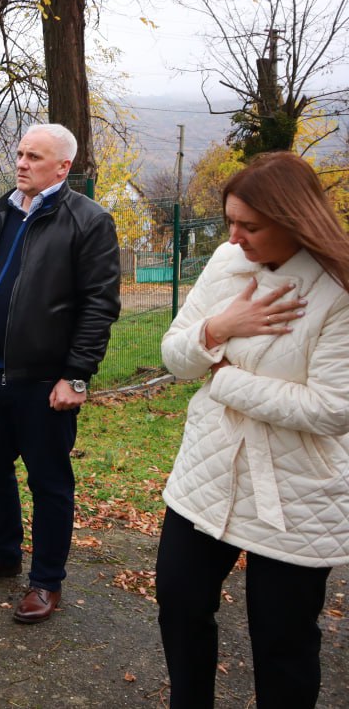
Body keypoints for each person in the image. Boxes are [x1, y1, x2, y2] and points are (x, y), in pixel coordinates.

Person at [156, 151, 349, 708]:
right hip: (209, 468)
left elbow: (332, 408)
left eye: (251, 226)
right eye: (230, 222)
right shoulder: (225, 262)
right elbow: (175, 352)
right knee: (180, 600)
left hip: (297, 490)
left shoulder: (337, 291)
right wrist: (219, 326)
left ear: (295, 220)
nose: (236, 236)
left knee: (282, 637)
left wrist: (225, 380)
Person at [0, 123, 121, 624]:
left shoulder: (88, 221)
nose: (21, 163)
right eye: (19, 154)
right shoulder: (2, 209)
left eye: (34, 157)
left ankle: (45, 582)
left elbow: (98, 308)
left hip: (45, 383)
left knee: (49, 483)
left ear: (63, 167)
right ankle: (3, 553)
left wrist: (77, 376)